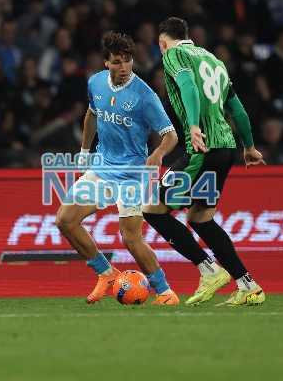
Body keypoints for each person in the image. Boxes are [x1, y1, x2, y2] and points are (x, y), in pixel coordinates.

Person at [143, 17, 266, 307]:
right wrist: (249, 146)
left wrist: (194, 125)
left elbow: (188, 86)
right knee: (200, 218)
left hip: (202, 148)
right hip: (225, 149)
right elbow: (237, 109)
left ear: (162, 42)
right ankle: (248, 286)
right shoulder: (214, 60)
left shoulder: (173, 54)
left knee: (153, 210)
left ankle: (209, 271)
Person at [55, 31, 180, 305]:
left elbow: (171, 136)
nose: (123, 67)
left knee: (130, 238)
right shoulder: (96, 82)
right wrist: (84, 152)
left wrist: (158, 153)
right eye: (116, 62)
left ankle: (165, 292)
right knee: (65, 220)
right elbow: (91, 115)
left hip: (132, 175)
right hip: (102, 167)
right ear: (105, 62)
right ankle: (106, 273)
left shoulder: (145, 96)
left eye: (127, 60)